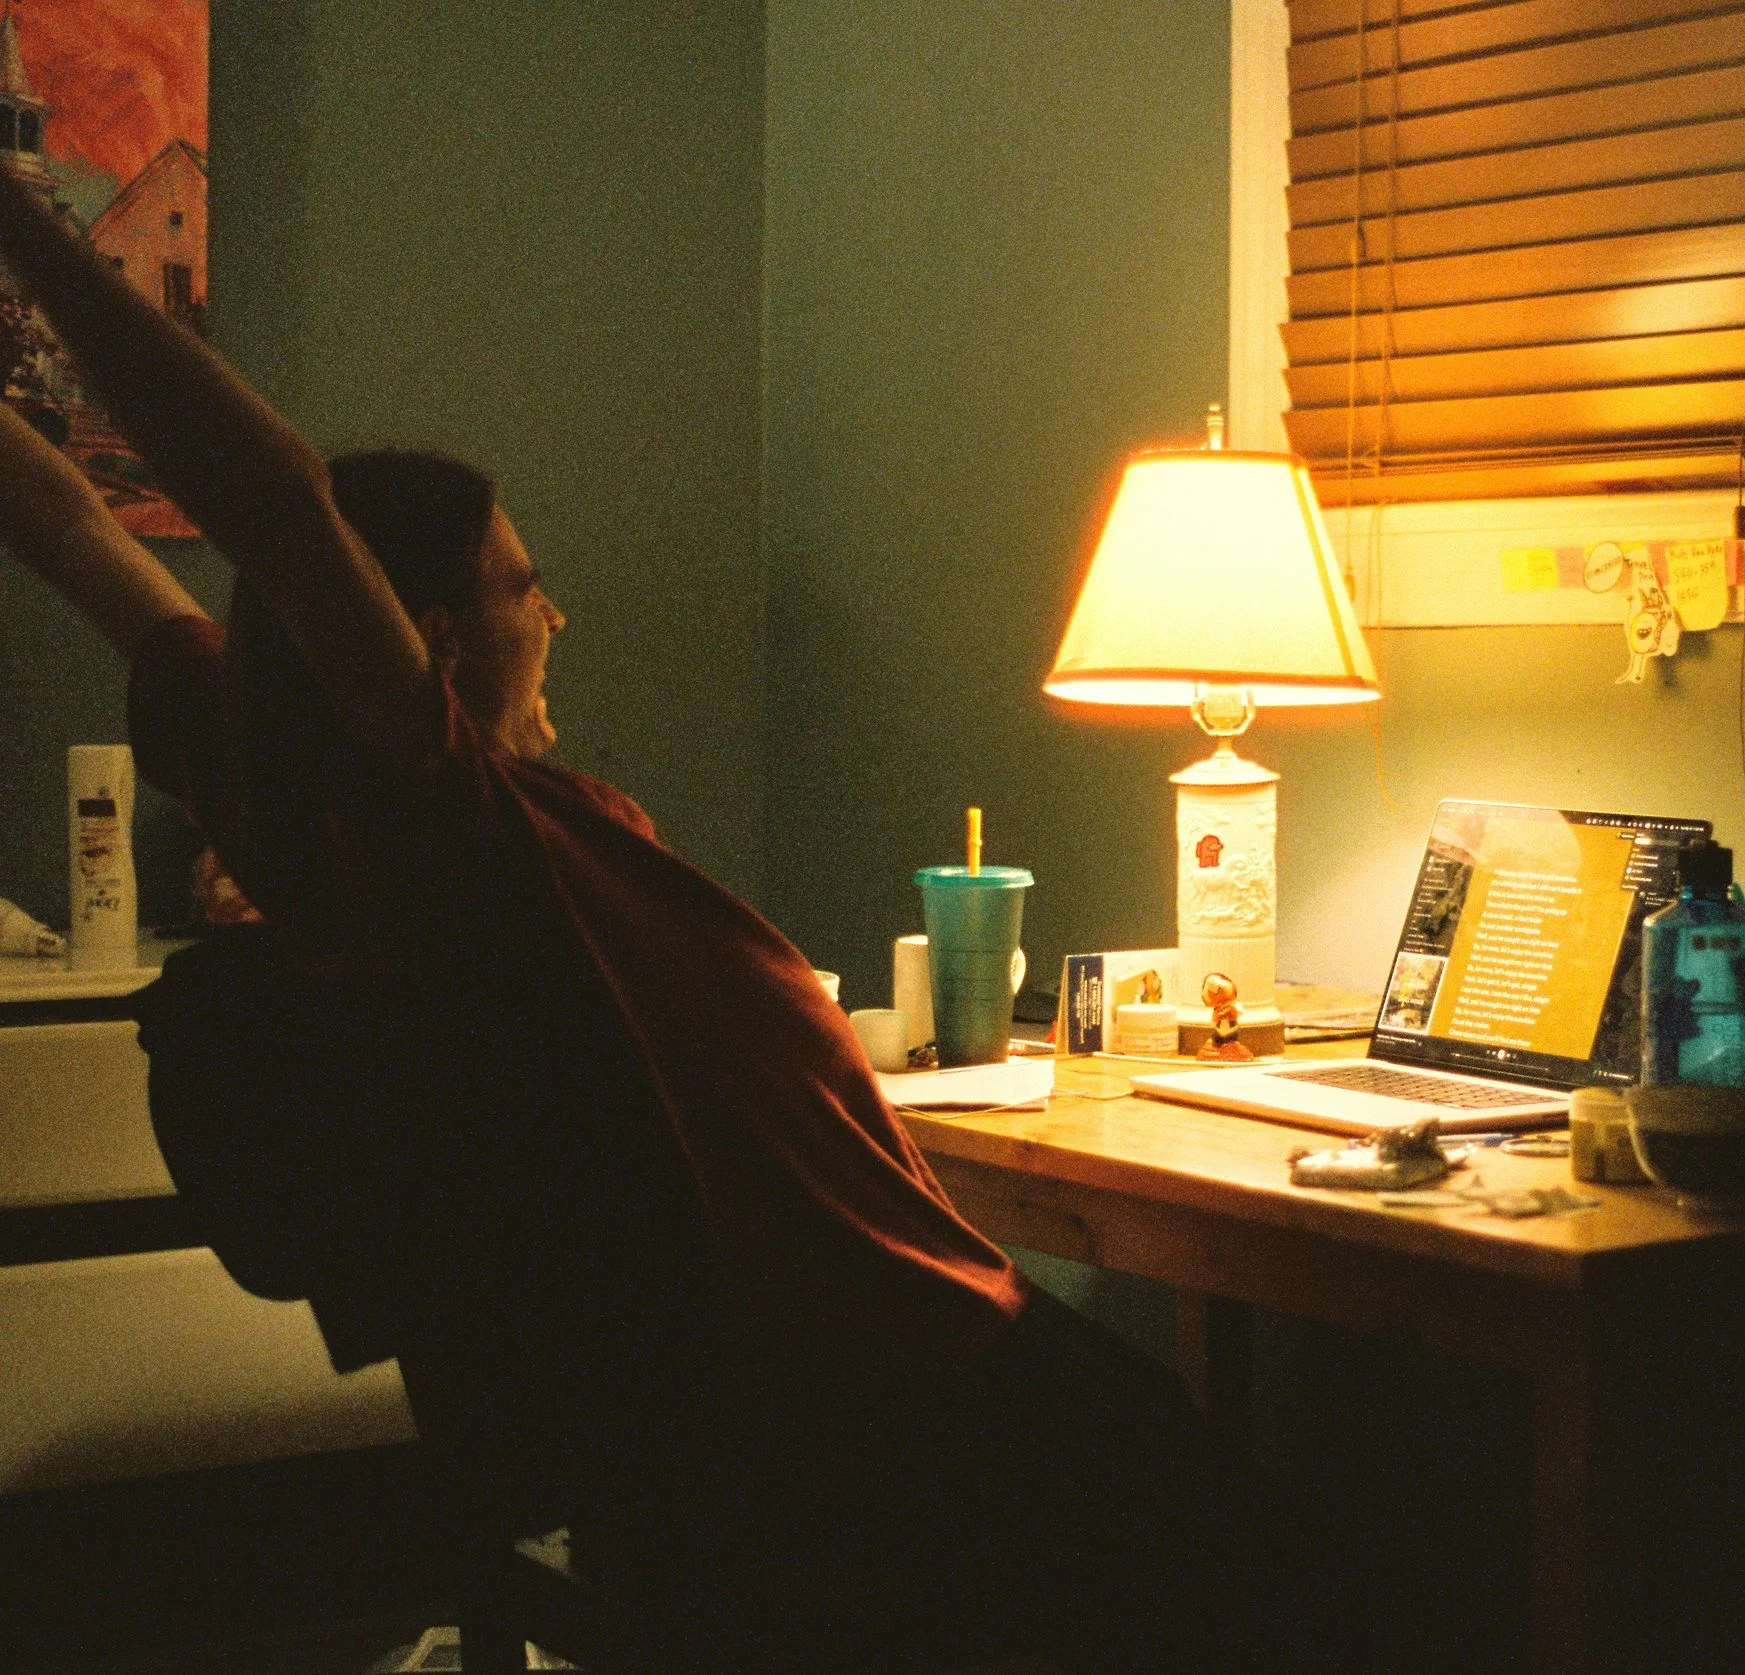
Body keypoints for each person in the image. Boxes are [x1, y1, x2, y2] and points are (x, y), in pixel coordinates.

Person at [0, 171, 1304, 1673]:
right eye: (521, 587)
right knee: (1273, 1569)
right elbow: (279, 509)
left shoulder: (275, 783)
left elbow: (68, 526)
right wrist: (28, 222)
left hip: (786, 1424)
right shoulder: (457, 843)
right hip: (896, 1408)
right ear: (419, 642)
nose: (553, 619)